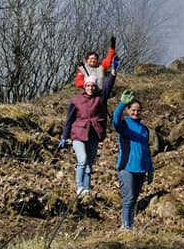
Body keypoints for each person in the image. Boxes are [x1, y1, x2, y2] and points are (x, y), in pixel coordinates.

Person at [60, 70, 116, 198]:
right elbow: (69, 120)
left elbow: (108, 86)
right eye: (88, 85)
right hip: (78, 134)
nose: (90, 88)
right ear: (84, 86)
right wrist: (64, 136)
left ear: (96, 87)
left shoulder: (100, 98)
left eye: (93, 86)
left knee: (89, 164)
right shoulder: (76, 101)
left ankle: (86, 190)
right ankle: (79, 187)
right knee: (82, 160)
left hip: (93, 134)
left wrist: (113, 73)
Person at [111, 89, 153, 231]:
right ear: (128, 110)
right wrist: (122, 103)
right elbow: (115, 119)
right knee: (128, 198)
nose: (135, 112)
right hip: (127, 168)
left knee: (134, 199)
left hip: (141, 169)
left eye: (138, 110)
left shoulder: (144, 129)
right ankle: (125, 226)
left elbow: (146, 150)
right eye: (133, 110)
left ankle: (130, 225)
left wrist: (150, 169)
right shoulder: (124, 124)